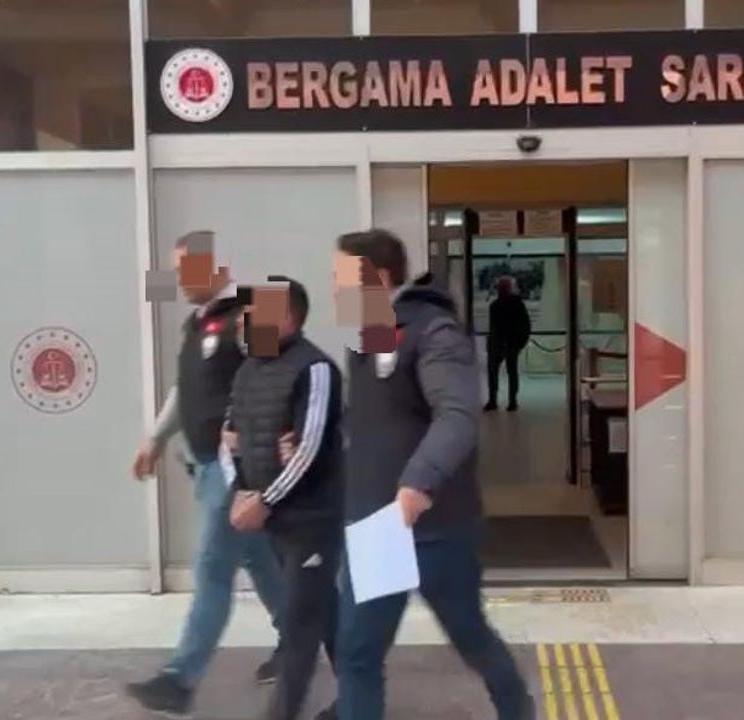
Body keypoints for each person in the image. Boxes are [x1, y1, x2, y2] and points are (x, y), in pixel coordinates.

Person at [332, 229, 535, 720]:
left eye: (342, 277)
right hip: (379, 527)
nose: (335, 288)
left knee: (470, 637)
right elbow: (373, 420)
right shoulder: (368, 337)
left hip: (436, 528)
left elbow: (457, 415)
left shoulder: (435, 332)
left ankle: (516, 708)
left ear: (378, 277)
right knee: (357, 652)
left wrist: (419, 482)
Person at [126, 230, 286, 716]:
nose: (179, 280)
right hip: (204, 467)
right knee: (260, 559)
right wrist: (156, 438)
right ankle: (302, 636)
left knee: (213, 568)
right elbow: (186, 389)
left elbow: (279, 378)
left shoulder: (254, 310)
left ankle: (180, 679)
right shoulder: (196, 324)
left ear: (218, 267)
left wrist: (265, 446)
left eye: (186, 270)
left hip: (236, 469)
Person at [227, 277, 344, 720]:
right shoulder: (248, 370)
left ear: (288, 318)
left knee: (300, 623)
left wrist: (265, 500)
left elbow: (308, 449)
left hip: (312, 517)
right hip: (275, 519)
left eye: (254, 312)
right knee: (323, 609)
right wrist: (241, 489)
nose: (244, 321)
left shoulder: (315, 369)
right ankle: (363, 692)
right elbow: (231, 437)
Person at [484, 275, 531, 412]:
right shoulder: (517, 304)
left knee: (493, 373)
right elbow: (525, 325)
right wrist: (520, 342)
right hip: (511, 343)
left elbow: (493, 328)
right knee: (512, 373)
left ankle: (493, 400)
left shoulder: (495, 306)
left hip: (499, 343)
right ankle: (512, 401)